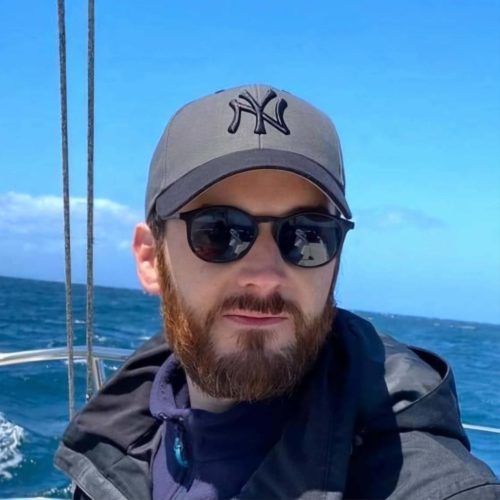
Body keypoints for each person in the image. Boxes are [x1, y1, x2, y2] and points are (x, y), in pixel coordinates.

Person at [55, 84, 500, 499]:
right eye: (219, 232)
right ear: (152, 258)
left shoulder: (425, 480)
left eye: (307, 235)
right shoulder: (119, 436)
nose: (266, 275)